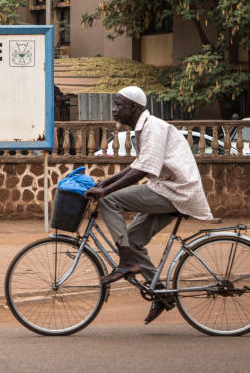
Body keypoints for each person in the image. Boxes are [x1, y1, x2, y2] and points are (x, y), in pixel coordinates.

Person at [85, 86, 213, 324]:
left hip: (176, 191)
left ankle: (126, 262)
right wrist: (106, 181)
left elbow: (145, 170)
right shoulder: (144, 129)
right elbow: (137, 165)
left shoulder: (153, 127)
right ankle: (162, 294)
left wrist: (106, 191)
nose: (113, 110)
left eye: (118, 105)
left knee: (111, 201)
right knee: (132, 240)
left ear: (133, 107)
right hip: (168, 190)